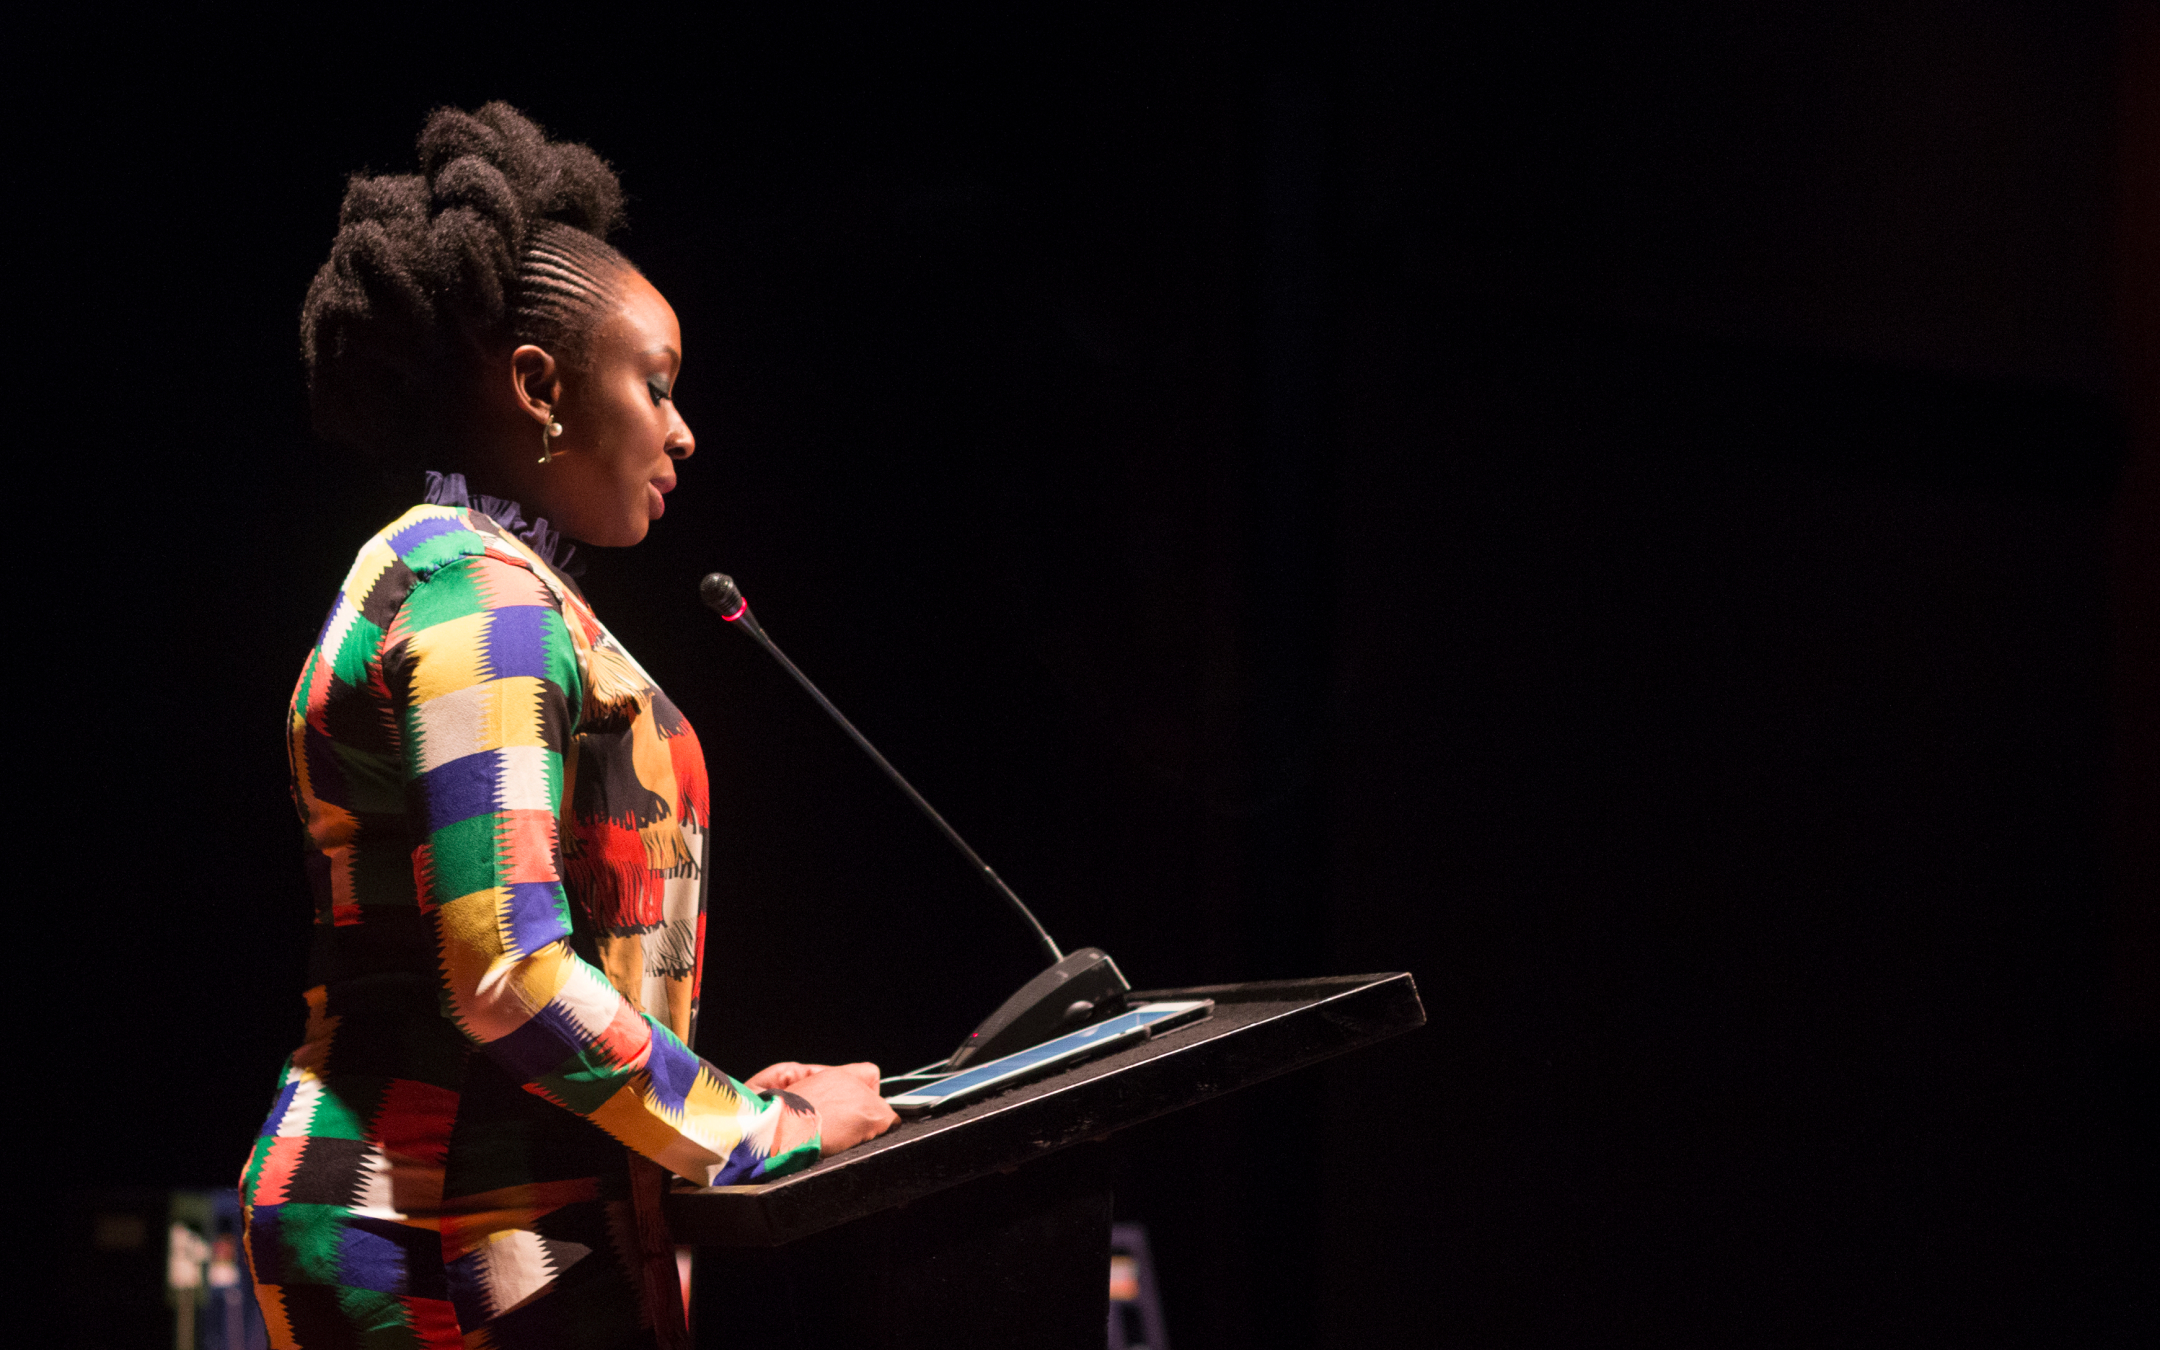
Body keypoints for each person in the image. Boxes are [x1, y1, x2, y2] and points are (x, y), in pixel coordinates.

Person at [239, 103, 898, 1349]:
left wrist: (699, 1097)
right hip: (442, 1233)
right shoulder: (473, 594)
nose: (683, 430)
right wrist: (750, 1134)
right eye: (655, 385)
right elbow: (506, 973)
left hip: (480, 1208)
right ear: (539, 387)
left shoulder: (474, 583)